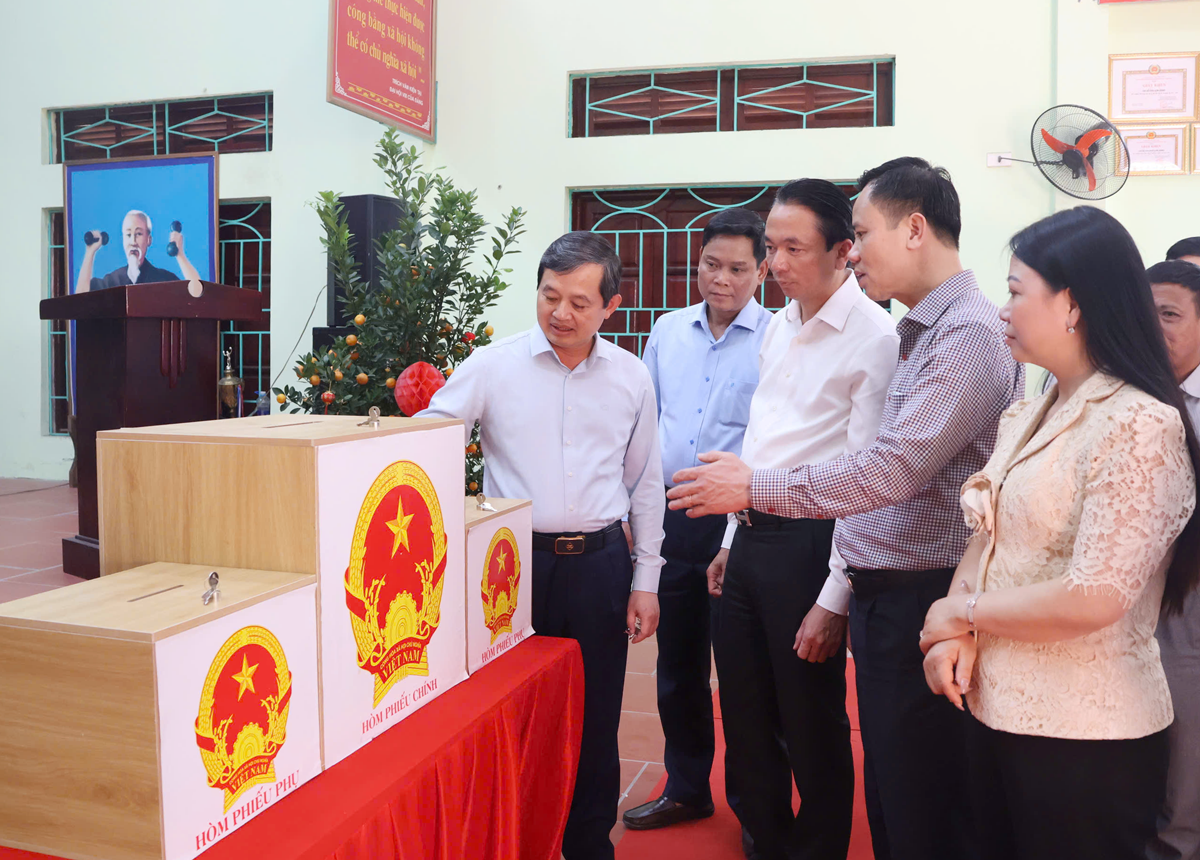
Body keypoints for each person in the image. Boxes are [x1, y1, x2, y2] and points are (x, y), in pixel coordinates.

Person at [667, 157, 1023, 860]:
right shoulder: (914, 330)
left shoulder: (958, 336)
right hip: (852, 565)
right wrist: (740, 527)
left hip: (904, 578)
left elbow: (888, 469)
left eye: (859, 235)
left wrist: (757, 495)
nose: (856, 252)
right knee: (876, 770)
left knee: (902, 778)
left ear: (913, 229)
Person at [920, 207, 1200, 860]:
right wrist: (955, 633)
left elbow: (1095, 595)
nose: (1003, 311)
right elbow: (986, 535)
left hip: (1085, 734)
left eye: (1017, 292)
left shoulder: (1139, 424)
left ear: (1072, 305)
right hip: (996, 706)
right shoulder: (1029, 411)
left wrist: (960, 612)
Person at [418, 231, 664, 860]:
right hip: (511, 567)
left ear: (610, 307)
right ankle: (516, 840)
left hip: (601, 566)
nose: (561, 313)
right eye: (550, 296)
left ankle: (587, 844)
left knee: (594, 716)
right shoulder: (492, 366)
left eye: (580, 303)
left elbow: (644, 483)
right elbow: (425, 445)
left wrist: (646, 580)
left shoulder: (631, 377)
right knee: (510, 714)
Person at [694, 179, 899, 859]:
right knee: (745, 708)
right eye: (772, 246)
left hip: (815, 546)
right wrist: (732, 537)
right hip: (751, 534)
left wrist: (834, 597)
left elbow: (869, 481)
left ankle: (817, 848)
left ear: (842, 251)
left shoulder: (875, 338)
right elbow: (761, 440)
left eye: (793, 248)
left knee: (809, 718)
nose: (775, 263)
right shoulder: (779, 324)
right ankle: (764, 837)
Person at [623, 208, 771, 835]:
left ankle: (757, 810)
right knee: (677, 666)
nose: (722, 279)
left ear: (762, 270)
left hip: (741, 523)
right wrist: (634, 512)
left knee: (743, 674)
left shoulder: (777, 338)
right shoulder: (667, 331)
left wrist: (738, 527)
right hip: (673, 517)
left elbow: (771, 441)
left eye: (738, 268)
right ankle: (686, 789)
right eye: (712, 264)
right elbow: (643, 426)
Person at [1147, 259, 1200, 860]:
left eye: (1169, 314)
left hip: (1190, 603)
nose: (1154, 326)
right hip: (1138, 598)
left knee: (1186, 757)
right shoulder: (1137, 394)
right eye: (1146, 313)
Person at [75, 209, 199, 292]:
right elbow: (81, 301)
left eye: (138, 234)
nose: (133, 241)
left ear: (149, 240)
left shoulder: (164, 280)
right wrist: (90, 252)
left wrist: (180, 255)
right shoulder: (111, 282)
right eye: (128, 235)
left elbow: (198, 293)